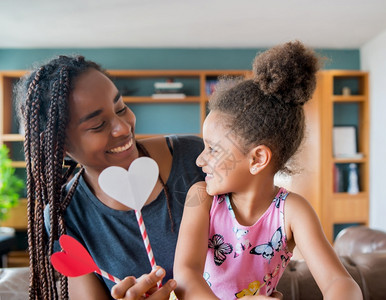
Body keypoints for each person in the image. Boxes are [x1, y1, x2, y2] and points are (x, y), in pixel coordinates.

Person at [173, 41, 363, 299]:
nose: (199, 160)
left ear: (257, 158)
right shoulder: (201, 197)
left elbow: (339, 282)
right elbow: (186, 274)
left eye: (213, 149)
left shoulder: (293, 212)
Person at [14, 55, 205, 300]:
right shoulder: (65, 217)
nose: (123, 128)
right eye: (97, 125)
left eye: (121, 108)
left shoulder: (196, 158)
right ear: (57, 145)